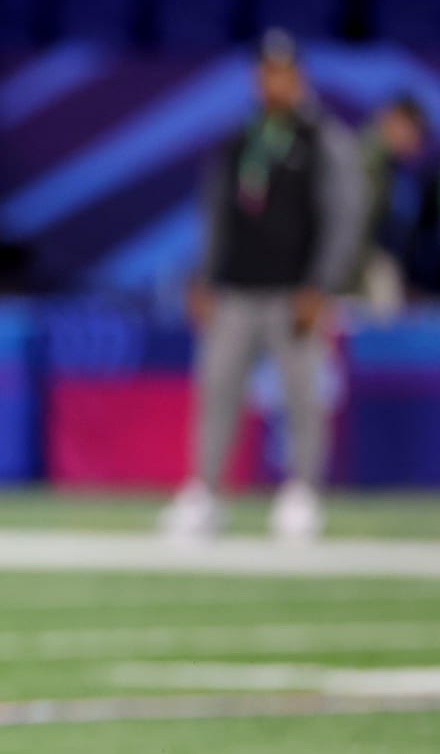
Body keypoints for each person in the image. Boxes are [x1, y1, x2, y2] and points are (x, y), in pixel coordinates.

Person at [160, 30, 363, 543]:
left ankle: (301, 494)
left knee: (301, 397)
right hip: (235, 289)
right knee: (217, 390)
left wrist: (321, 285)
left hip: (294, 291)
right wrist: (204, 277)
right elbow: (216, 217)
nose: (274, 82)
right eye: (266, 72)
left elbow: (343, 216)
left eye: (283, 73)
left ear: (298, 78)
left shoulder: (323, 139)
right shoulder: (239, 138)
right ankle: (203, 493)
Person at [352, 94, 427, 312]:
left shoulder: (388, 164)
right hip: (359, 271)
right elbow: (353, 225)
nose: (416, 141)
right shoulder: (365, 159)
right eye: (414, 131)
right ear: (393, 119)